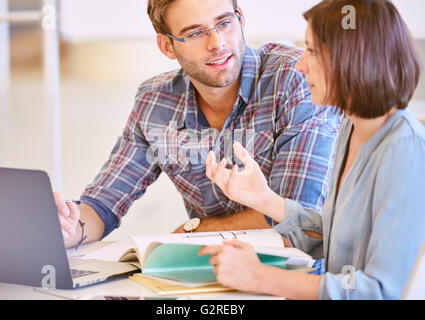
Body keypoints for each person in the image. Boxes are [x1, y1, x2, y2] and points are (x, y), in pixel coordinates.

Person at [55, 0, 341, 249]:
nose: (217, 43)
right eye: (195, 33)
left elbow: (300, 222)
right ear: (167, 45)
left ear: (240, 18)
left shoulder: (295, 80)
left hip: (293, 282)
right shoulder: (156, 102)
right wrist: (68, 227)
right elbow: (103, 205)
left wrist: (194, 232)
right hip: (205, 280)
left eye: (224, 23)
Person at [200, 0, 425, 300]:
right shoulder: (352, 125)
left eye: (313, 51)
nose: (299, 64)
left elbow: (380, 290)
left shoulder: (405, 148)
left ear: (354, 57)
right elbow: (332, 237)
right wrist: (265, 199)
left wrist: (260, 277)